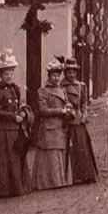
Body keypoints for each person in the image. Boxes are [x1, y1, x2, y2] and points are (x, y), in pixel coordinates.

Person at [0, 50, 31, 198]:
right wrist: (13, 117)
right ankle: (4, 190)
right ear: (0, 75)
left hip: (15, 129)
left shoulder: (15, 89)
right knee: (4, 159)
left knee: (16, 157)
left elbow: (19, 105)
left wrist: (23, 112)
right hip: (3, 130)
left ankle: (18, 187)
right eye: (6, 74)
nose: (9, 76)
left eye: (11, 73)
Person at [33, 60, 73, 191]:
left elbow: (66, 102)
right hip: (49, 127)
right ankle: (48, 182)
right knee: (50, 154)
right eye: (54, 76)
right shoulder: (43, 91)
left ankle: (60, 180)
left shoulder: (62, 89)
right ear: (49, 76)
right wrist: (60, 111)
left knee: (60, 152)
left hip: (61, 126)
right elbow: (43, 110)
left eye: (58, 75)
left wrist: (68, 107)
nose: (56, 78)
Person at [62, 57, 98, 184]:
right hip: (66, 121)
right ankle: (70, 176)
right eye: (68, 72)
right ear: (65, 73)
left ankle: (85, 174)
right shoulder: (61, 86)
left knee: (82, 147)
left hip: (78, 120)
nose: (71, 75)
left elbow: (84, 103)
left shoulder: (81, 86)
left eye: (73, 72)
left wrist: (84, 114)